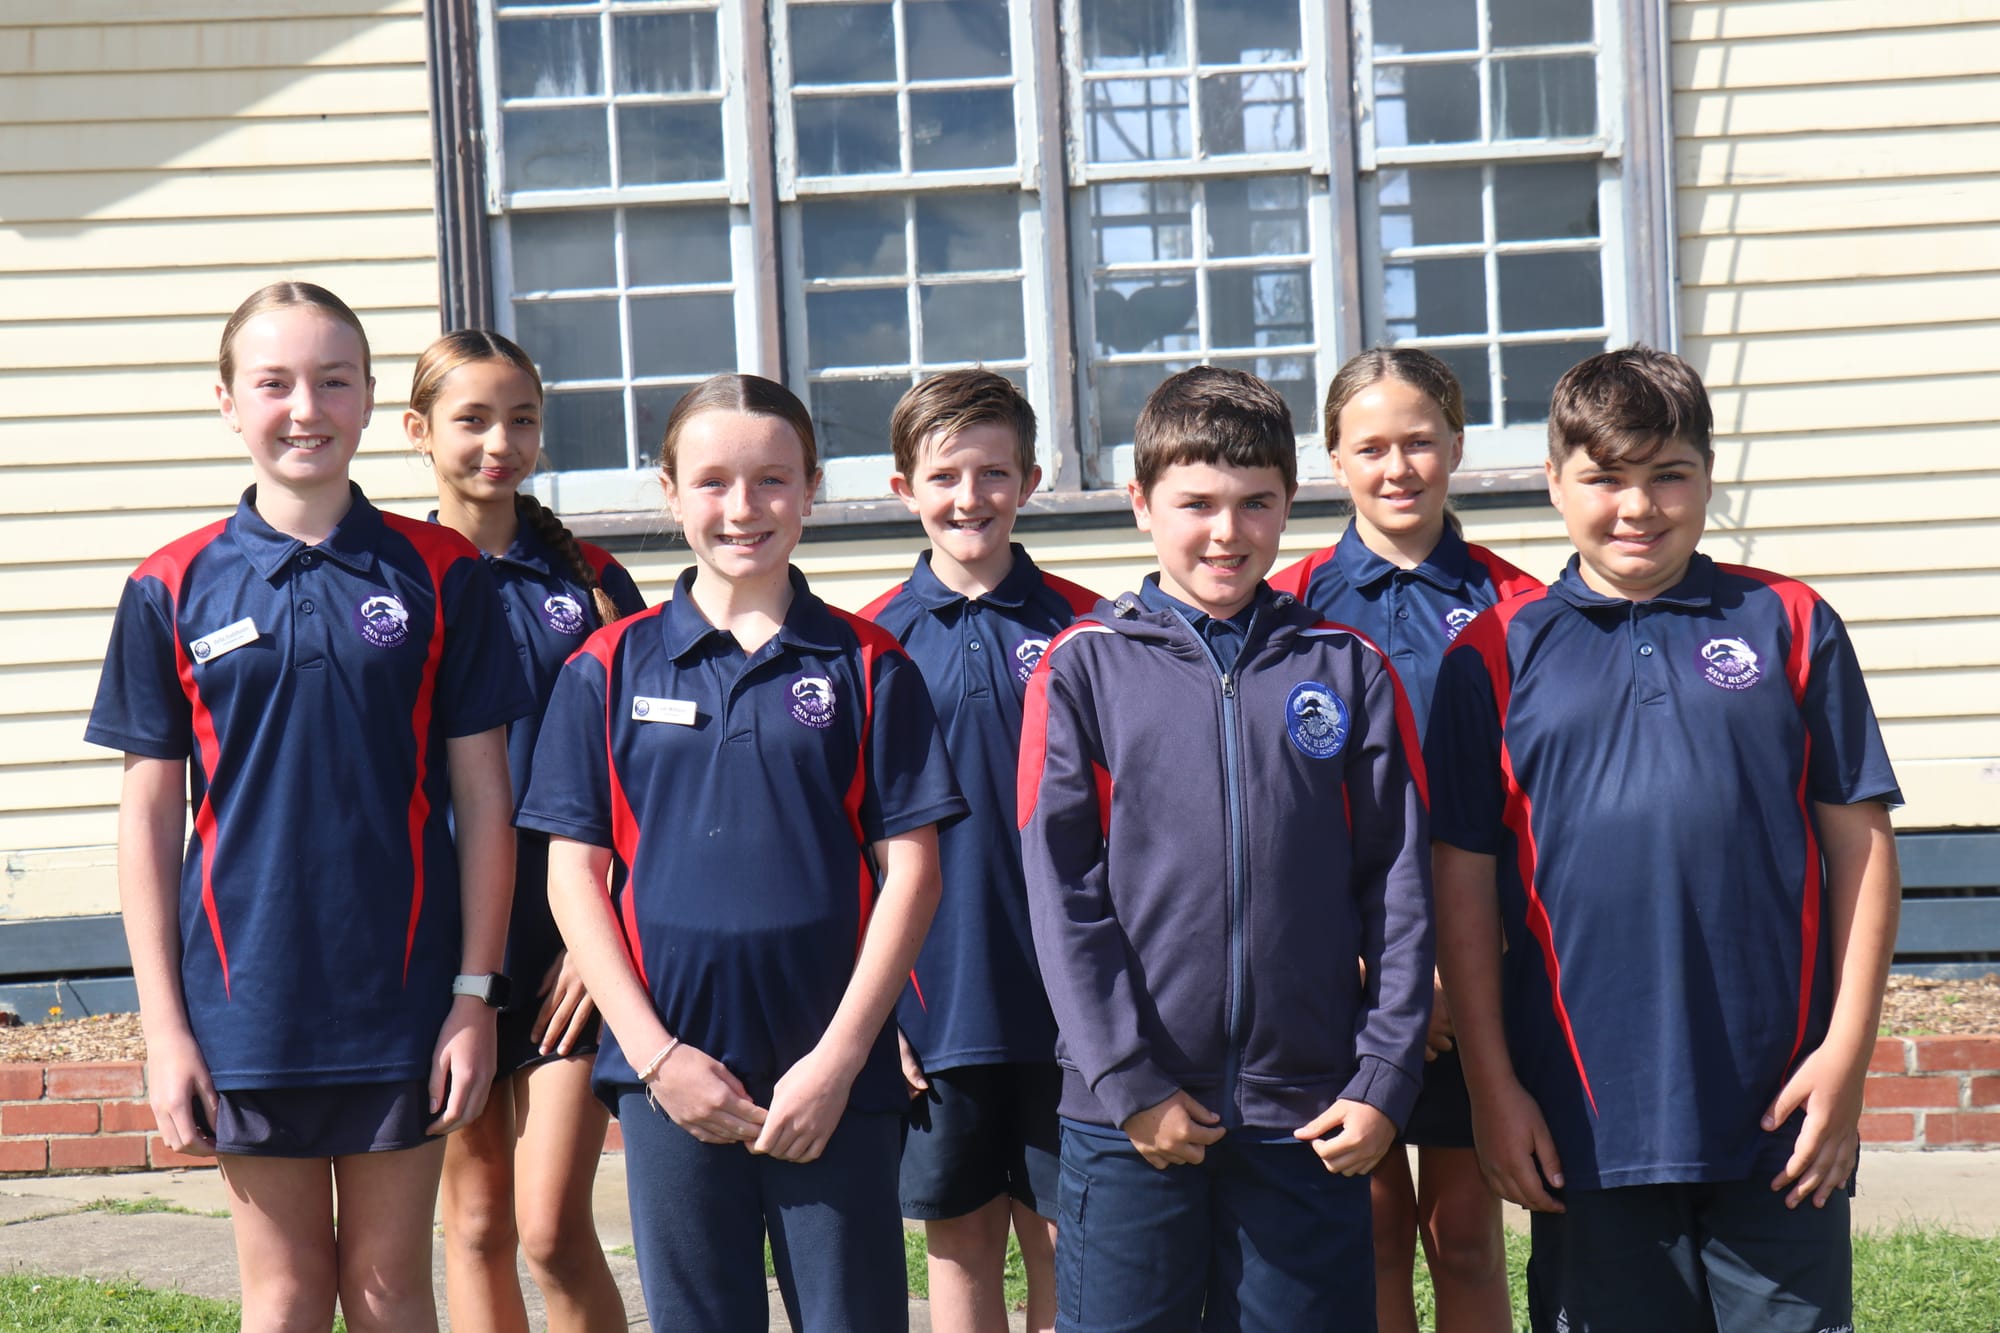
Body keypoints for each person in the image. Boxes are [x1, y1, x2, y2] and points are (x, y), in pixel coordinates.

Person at [1426, 347, 1902, 1333]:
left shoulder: (1789, 621)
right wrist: (1492, 1083)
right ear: (1553, 481)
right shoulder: (1490, 653)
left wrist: (1845, 1058)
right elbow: (1463, 889)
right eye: (1603, 477)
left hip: (1780, 1107)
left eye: (1665, 474)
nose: (1635, 506)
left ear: (1706, 475)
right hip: (1585, 1111)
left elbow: (1861, 850)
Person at [85, 282, 530, 1333]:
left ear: (372, 399)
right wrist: (165, 1028)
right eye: (274, 383)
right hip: (247, 1000)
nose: (304, 407)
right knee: (281, 1295)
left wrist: (473, 993)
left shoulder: (441, 573)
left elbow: (485, 799)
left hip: (406, 994)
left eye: (333, 381)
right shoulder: (171, 585)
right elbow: (148, 821)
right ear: (228, 401)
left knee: (389, 1289)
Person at [516, 373, 967, 1332]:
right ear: (670, 492)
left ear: (809, 489)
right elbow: (574, 879)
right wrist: (654, 1057)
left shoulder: (871, 665)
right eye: (713, 481)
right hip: (670, 1076)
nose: (743, 507)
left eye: (771, 480)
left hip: (830, 1081)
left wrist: (839, 1062)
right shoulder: (604, 668)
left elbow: (913, 872)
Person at [1019, 365, 1434, 1331]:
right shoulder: (1084, 666)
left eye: (1256, 504)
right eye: (1195, 502)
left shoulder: (1346, 666)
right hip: (1132, 1116)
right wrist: (1127, 1082)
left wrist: (1382, 1078)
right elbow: (1063, 892)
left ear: (1290, 503)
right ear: (1141, 504)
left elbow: (1400, 886)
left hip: (1310, 1114)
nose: (1227, 531)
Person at [1269, 348, 1538, 1333]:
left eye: (1419, 442)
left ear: (1456, 447)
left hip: (1481, 964)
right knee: (1369, 1229)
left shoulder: (1521, 609)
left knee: (1464, 1231)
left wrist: (1465, 966)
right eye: (1370, 446)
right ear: (1331, 460)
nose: (1397, 467)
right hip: (1337, 966)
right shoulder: (1288, 607)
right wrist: (1365, 965)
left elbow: (1528, 811)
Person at [405, 330, 642, 1333]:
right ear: (418, 431)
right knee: (476, 1222)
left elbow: (645, 775)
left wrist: (609, 934)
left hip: (568, 941)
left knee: (550, 1227)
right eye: (471, 419)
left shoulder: (589, 577)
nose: (498, 441)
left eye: (521, 418)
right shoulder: (394, 575)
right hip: (446, 942)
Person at [860, 369, 1096, 1333]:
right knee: (958, 1244)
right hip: (935, 1000)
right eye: (946, 474)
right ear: (903, 488)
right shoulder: (868, 642)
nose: (971, 497)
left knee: (1067, 1236)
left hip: (1068, 1001)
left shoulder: (1089, 628)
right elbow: (850, 842)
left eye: (994, 471)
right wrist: (881, 1006)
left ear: (1031, 479)